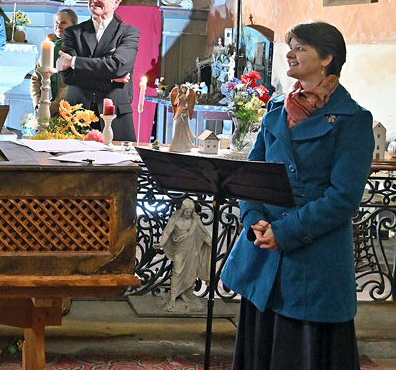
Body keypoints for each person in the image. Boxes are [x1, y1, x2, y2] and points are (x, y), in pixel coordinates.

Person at [221, 21, 375, 370]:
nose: (289, 54)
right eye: (290, 46)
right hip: (263, 248)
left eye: (300, 48)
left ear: (327, 59)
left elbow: (343, 198)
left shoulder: (353, 120)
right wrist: (253, 219)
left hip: (312, 256)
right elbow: (251, 173)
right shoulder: (277, 108)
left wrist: (285, 233)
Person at [57, 0, 139, 141]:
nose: (94, 0)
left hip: (115, 115)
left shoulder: (128, 32)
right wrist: (111, 81)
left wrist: (74, 62)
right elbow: (67, 77)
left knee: (121, 165)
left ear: (116, 2)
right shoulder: (73, 33)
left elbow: (118, 66)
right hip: (76, 114)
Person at [154, 198, 211, 312]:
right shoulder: (176, 220)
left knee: (189, 273)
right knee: (177, 272)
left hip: (192, 251)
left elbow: (203, 235)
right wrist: (161, 243)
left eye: (190, 212)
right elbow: (167, 232)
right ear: (182, 210)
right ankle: (173, 297)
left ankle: (183, 293)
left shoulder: (194, 222)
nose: (188, 214)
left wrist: (210, 242)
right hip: (179, 251)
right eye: (186, 211)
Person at [30, 8, 78, 117]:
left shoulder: (77, 47)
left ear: (74, 26)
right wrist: (38, 102)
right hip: (44, 107)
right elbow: (36, 78)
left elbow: (71, 83)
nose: (59, 26)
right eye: (56, 22)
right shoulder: (49, 46)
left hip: (66, 109)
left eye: (63, 23)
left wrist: (54, 106)